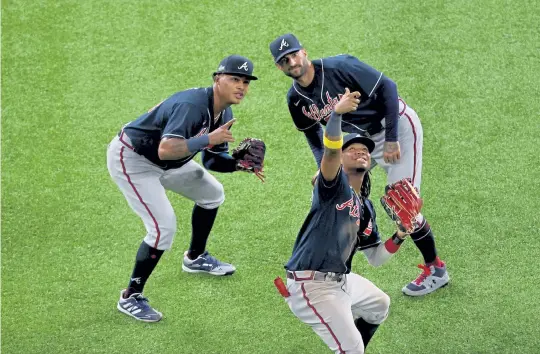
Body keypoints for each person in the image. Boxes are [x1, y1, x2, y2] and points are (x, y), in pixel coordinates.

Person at [269, 33, 449, 296]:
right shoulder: (295, 99)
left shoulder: (340, 66)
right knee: (328, 194)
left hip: (395, 126)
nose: (292, 62)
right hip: (358, 141)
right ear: (279, 66)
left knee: (403, 204)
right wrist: (326, 170)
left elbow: (388, 86)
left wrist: (391, 139)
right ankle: (343, 254)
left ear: (304, 52)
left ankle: (435, 269)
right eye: (285, 60)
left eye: (294, 54)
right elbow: (313, 135)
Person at [107, 55, 260, 322]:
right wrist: (207, 138)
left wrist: (238, 165)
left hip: (170, 162)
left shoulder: (225, 112)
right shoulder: (192, 106)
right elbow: (165, 150)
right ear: (217, 79)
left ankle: (195, 257)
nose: (241, 86)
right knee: (163, 228)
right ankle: (130, 295)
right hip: (134, 160)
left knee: (212, 194)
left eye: (246, 82)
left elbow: (212, 159)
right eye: (235, 79)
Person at [274, 89, 409, 353]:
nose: (361, 152)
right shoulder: (332, 187)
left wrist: (401, 234)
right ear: (341, 158)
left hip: (341, 280)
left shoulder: (365, 207)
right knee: (352, 348)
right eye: (352, 149)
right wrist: (336, 114)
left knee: (379, 304)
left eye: (365, 150)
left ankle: (348, 343)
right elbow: (331, 151)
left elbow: (376, 258)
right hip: (310, 285)